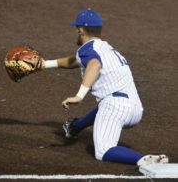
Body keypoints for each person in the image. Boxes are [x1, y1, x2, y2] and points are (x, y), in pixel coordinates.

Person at [42, 9, 168, 167]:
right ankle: (75, 126)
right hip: (136, 110)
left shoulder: (88, 50)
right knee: (104, 103)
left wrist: (79, 95)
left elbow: (94, 65)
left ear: (80, 30)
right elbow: (75, 61)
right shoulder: (106, 48)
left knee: (103, 151)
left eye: (76, 29)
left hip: (115, 107)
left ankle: (144, 160)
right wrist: (44, 64)